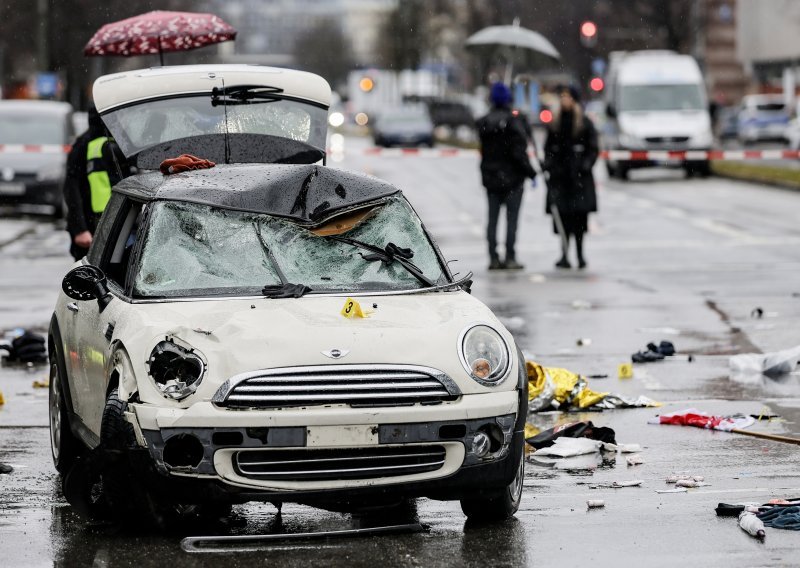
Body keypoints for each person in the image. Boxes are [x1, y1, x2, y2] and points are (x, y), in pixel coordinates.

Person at [476, 82, 536, 270]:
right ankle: (510, 257)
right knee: (511, 220)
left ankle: (493, 257)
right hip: (513, 180)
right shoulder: (514, 122)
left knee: (492, 220)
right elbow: (519, 153)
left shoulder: (485, 122)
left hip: (491, 178)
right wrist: (531, 172)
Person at [64, 106, 131, 260]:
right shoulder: (84, 145)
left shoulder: (121, 140)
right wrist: (80, 229)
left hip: (114, 223)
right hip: (92, 226)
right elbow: (71, 187)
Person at [543, 85, 598, 269]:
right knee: (563, 219)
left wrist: (585, 165)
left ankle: (580, 255)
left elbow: (593, 149)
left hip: (579, 180)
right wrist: (549, 165)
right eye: (562, 96)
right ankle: (564, 254)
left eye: (567, 96)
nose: (564, 100)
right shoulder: (556, 123)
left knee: (579, 220)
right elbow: (549, 148)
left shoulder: (583, 123)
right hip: (560, 179)